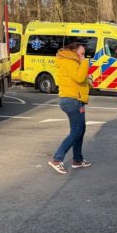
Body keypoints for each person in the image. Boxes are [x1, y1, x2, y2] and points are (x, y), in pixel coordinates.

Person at [48, 42, 91, 174]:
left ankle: (77, 160)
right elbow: (79, 78)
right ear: (73, 51)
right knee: (77, 131)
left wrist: (88, 81)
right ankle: (57, 159)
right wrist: (85, 63)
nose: (83, 56)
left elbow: (76, 80)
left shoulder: (68, 62)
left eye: (84, 54)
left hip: (73, 99)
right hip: (73, 100)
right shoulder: (70, 62)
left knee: (80, 130)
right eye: (81, 54)